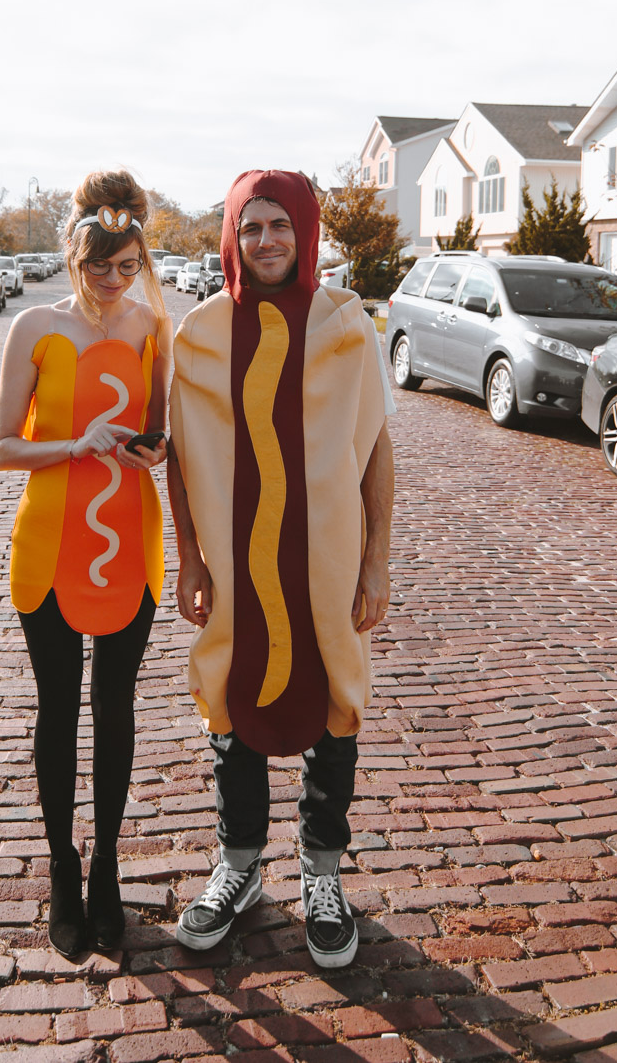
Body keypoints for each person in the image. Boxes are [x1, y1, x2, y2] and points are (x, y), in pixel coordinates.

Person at [167, 169, 395, 968]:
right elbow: (181, 461)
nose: (264, 241)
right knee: (229, 689)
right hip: (233, 557)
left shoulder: (347, 323)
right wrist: (189, 556)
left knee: (337, 691)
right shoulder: (197, 333)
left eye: (279, 226)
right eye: (250, 226)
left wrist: (377, 559)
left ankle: (322, 874)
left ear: (306, 233)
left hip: (325, 555)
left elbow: (374, 449)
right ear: (232, 236)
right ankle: (238, 867)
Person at [0, 170, 170, 956]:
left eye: (127, 265)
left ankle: (106, 873)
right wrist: (74, 445)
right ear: (75, 252)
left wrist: (150, 449)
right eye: (100, 264)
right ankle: (64, 865)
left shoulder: (152, 331)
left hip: (130, 541)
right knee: (58, 709)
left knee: (117, 711)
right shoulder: (33, 327)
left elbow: (159, 439)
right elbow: (0, 447)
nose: (113, 279)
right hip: (50, 544)